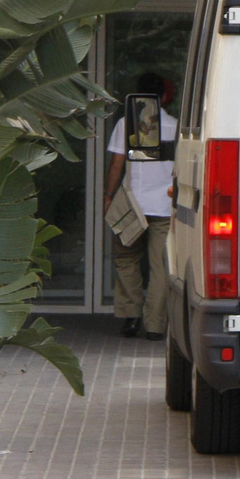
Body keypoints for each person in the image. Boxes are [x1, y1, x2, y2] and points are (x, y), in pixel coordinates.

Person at [105, 72, 177, 340]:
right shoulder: (175, 126)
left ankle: (130, 318)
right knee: (160, 266)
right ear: (164, 96)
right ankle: (156, 326)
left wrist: (108, 195)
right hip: (164, 207)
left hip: (132, 204)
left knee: (126, 259)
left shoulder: (127, 123)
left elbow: (117, 164)